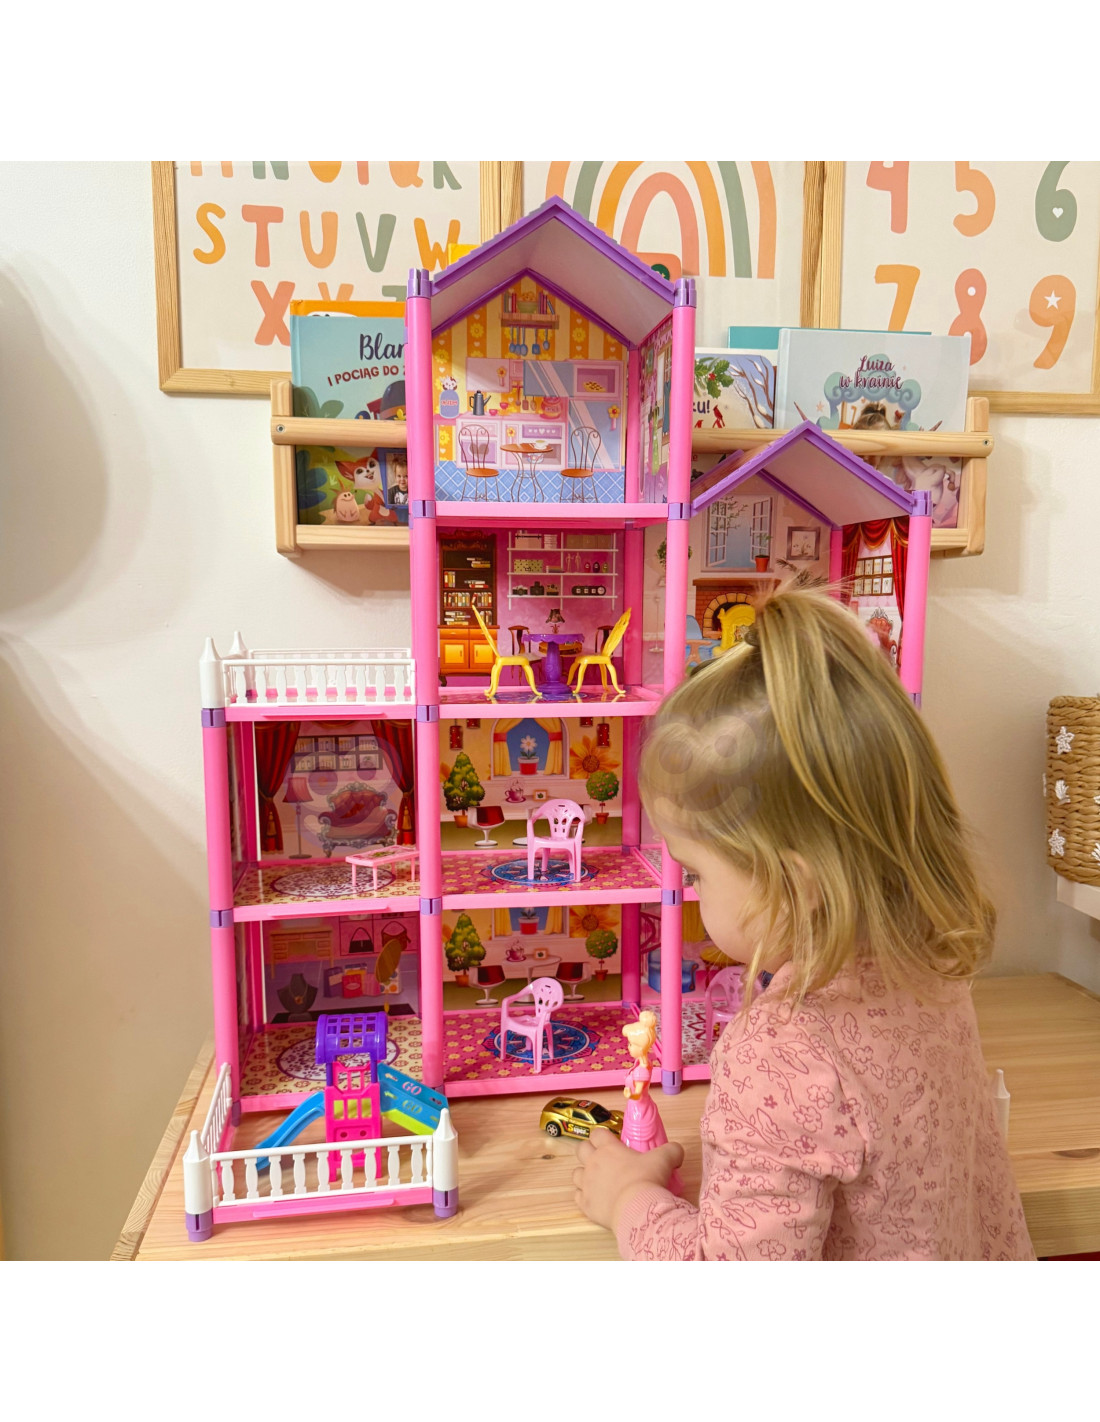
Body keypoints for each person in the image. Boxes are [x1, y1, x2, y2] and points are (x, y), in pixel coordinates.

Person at [573, 585, 1033, 1261]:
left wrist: (627, 1199)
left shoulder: (779, 1053)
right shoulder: (934, 970)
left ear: (796, 884)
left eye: (695, 872)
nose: (689, 891)